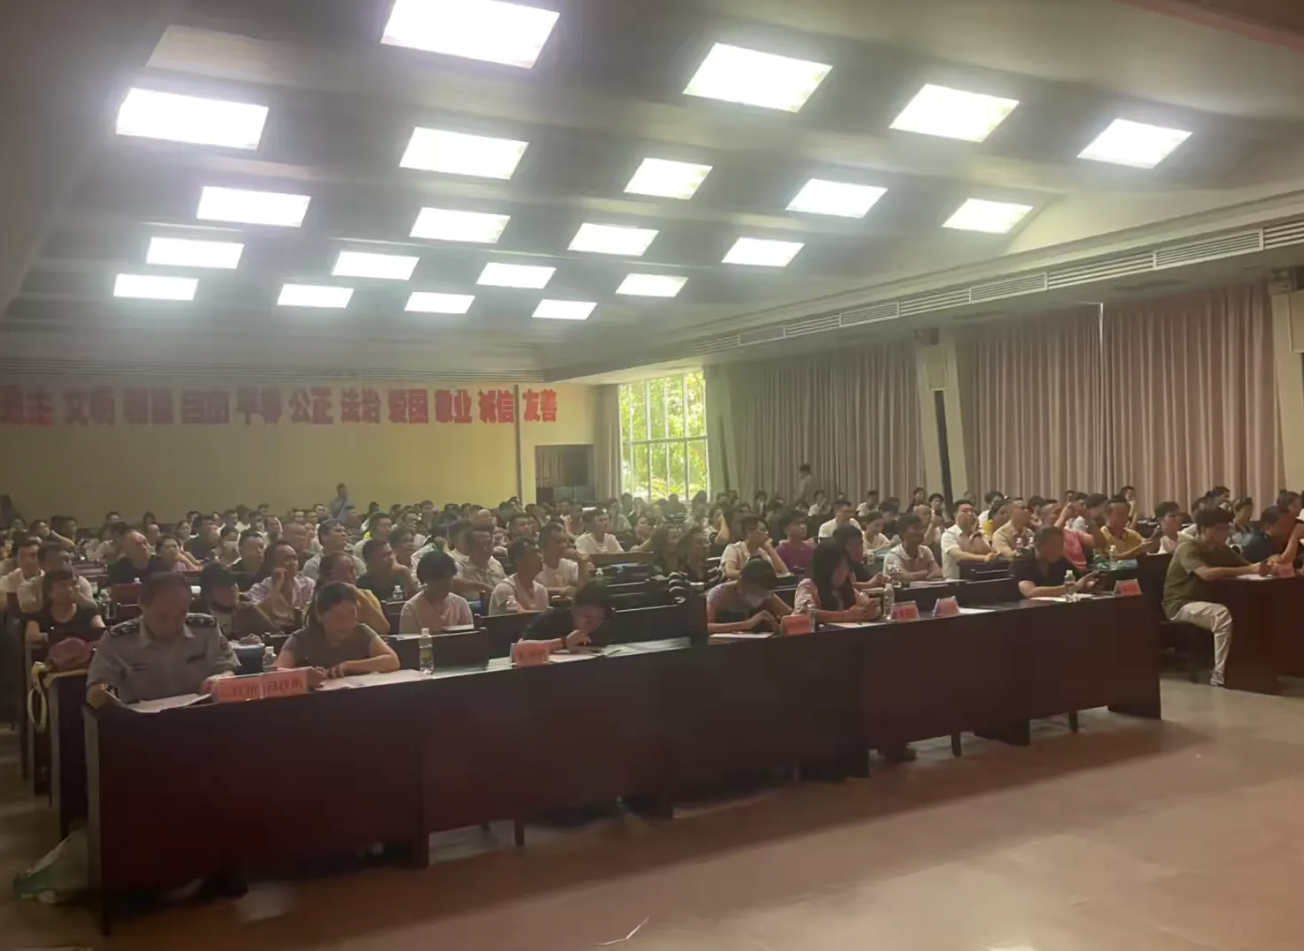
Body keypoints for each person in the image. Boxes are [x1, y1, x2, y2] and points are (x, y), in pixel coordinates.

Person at [87, 572, 240, 706]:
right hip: (139, 722)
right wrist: (102, 693)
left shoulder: (206, 629)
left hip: (199, 714)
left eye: (181, 614)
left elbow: (228, 668)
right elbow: (96, 689)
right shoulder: (117, 639)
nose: (171, 623)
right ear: (142, 604)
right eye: (162, 616)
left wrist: (221, 678)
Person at [1163, 507, 1272, 686]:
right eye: (1219, 529)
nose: (1225, 533)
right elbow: (1206, 573)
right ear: (1203, 529)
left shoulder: (1222, 549)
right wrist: (1250, 569)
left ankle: (1245, 667)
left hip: (1207, 601)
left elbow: (1248, 566)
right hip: (1181, 604)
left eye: (1226, 528)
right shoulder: (1187, 548)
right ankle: (1220, 674)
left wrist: (1267, 566)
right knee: (1221, 615)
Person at [275, 582, 399, 683]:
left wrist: (348, 666)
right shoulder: (301, 639)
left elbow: (392, 661)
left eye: (351, 614)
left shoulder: (362, 633)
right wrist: (303, 675)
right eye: (338, 617)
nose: (346, 623)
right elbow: (275, 672)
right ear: (320, 616)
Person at [793, 541, 881, 625]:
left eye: (845, 568)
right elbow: (804, 612)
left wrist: (870, 611)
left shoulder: (846, 587)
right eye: (838, 570)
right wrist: (845, 616)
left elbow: (867, 603)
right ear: (824, 569)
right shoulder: (808, 585)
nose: (843, 574)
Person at [194, 563, 283, 641]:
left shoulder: (248, 611)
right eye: (223, 586)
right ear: (207, 594)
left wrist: (261, 640)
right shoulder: (197, 615)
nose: (232, 589)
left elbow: (278, 635)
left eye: (233, 583)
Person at [520, 580, 615, 652]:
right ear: (573, 608)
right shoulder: (551, 619)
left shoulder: (603, 625)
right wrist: (563, 642)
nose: (591, 624)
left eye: (598, 619)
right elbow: (519, 648)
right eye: (586, 617)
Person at [705, 559, 792, 635]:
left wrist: (781, 623)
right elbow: (706, 626)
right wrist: (746, 624)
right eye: (754, 591)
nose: (758, 596)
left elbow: (791, 614)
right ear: (742, 582)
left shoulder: (767, 594)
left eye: (762, 593)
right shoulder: (718, 594)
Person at [24, 568, 105, 647]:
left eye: (74, 583)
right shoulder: (39, 617)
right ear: (49, 592)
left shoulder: (89, 612)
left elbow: (102, 633)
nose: (70, 589)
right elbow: (31, 637)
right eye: (62, 585)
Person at [399, 551, 475, 633]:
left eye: (448, 580)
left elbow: (470, 636)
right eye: (440, 583)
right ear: (426, 580)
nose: (445, 587)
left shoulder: (461, 604)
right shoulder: (411, 608)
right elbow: (408, 639)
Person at [1013, 527, 1099, 599]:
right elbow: (1031, 592)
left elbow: (1078, 581)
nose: (1059, 551)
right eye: (1053, 545)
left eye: (1060, 546)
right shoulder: (1021, 562)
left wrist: (1089, 584)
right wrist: (1072, 587)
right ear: (1037, 544)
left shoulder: (1061, 561)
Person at [248, 540, 315, 629]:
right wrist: (276, 587)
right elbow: (257, 618)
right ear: (271, 565)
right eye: (287, 559)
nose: (292, 563)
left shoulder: (308, 584)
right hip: (272, 634)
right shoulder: (259, 589)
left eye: (294, 558)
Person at [17, 541, 96, 611]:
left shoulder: (79, 583)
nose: (65, 564)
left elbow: (94, 611)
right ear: (42, 565)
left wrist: (79, 598)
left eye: (67, 560)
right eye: (58, 560)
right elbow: (29, 613)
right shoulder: (28, 587)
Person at [489, 538, 550, 615]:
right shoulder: (504, 589)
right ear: (518, 560)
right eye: (533, 553)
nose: (540, 556)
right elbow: (520, 617)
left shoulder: (541, 590)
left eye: (539, 552)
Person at [720, 514, 790, 580]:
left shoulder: (762, 553)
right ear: (750, 532)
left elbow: (785, 572)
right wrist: (755, 576)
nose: (767, 533)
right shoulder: (733, 549)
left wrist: (770, 549)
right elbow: (730, 572)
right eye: (763, 530)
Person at [940, 500, 997, 579]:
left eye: (972, 511)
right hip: (954, 580)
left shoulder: (981, 533)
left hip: (979, 577)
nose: (970, 514)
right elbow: (958, 555)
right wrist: (983, 558)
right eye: (965, 511)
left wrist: (975, 532)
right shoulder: (948, 534)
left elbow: (986, 552)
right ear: (955, 515)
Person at [665, 527, 722, 602]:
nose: (705, 546)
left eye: (706, 542)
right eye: (699, 543)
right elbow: (680, 603)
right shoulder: (678, 576)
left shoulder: (714, 572)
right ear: (687, 548)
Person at [453, 525, 508, 600]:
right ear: (468, 548)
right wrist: (482, 586)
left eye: (488, 544)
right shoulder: (460, 566)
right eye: (479, 546)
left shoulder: (495, 563)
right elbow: (453, 583)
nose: (485, 549)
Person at [536, 523, 589, 599]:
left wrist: (581, 562)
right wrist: (562, 590)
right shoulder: (534, 567)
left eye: (565, 541)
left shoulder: (569, 565)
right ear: (543, 544)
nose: (564, 545)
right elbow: (534, 589)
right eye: (559, 542)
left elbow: (584, 588)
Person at [302, 519, 366, 581]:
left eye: (344, 531)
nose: (343, 534)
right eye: (338, 531)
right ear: (324, 536)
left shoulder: (355, 561)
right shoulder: (314, 564)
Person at [357, 538, 418, 603]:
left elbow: (416, 603)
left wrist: (405, 573)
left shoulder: (400, 575)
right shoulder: (362, 585)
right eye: (384, 555)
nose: (391, 558)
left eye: (391, 553)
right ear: (370, 560)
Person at [883, 514, 942, 581]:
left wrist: (923, 576)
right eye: (916, 528)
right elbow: (902, 576)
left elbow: (938, 572)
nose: (921, 531)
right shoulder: (892, 555)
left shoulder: (925, 551)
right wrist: (923, 574)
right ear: (902, 533)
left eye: (921, 528)